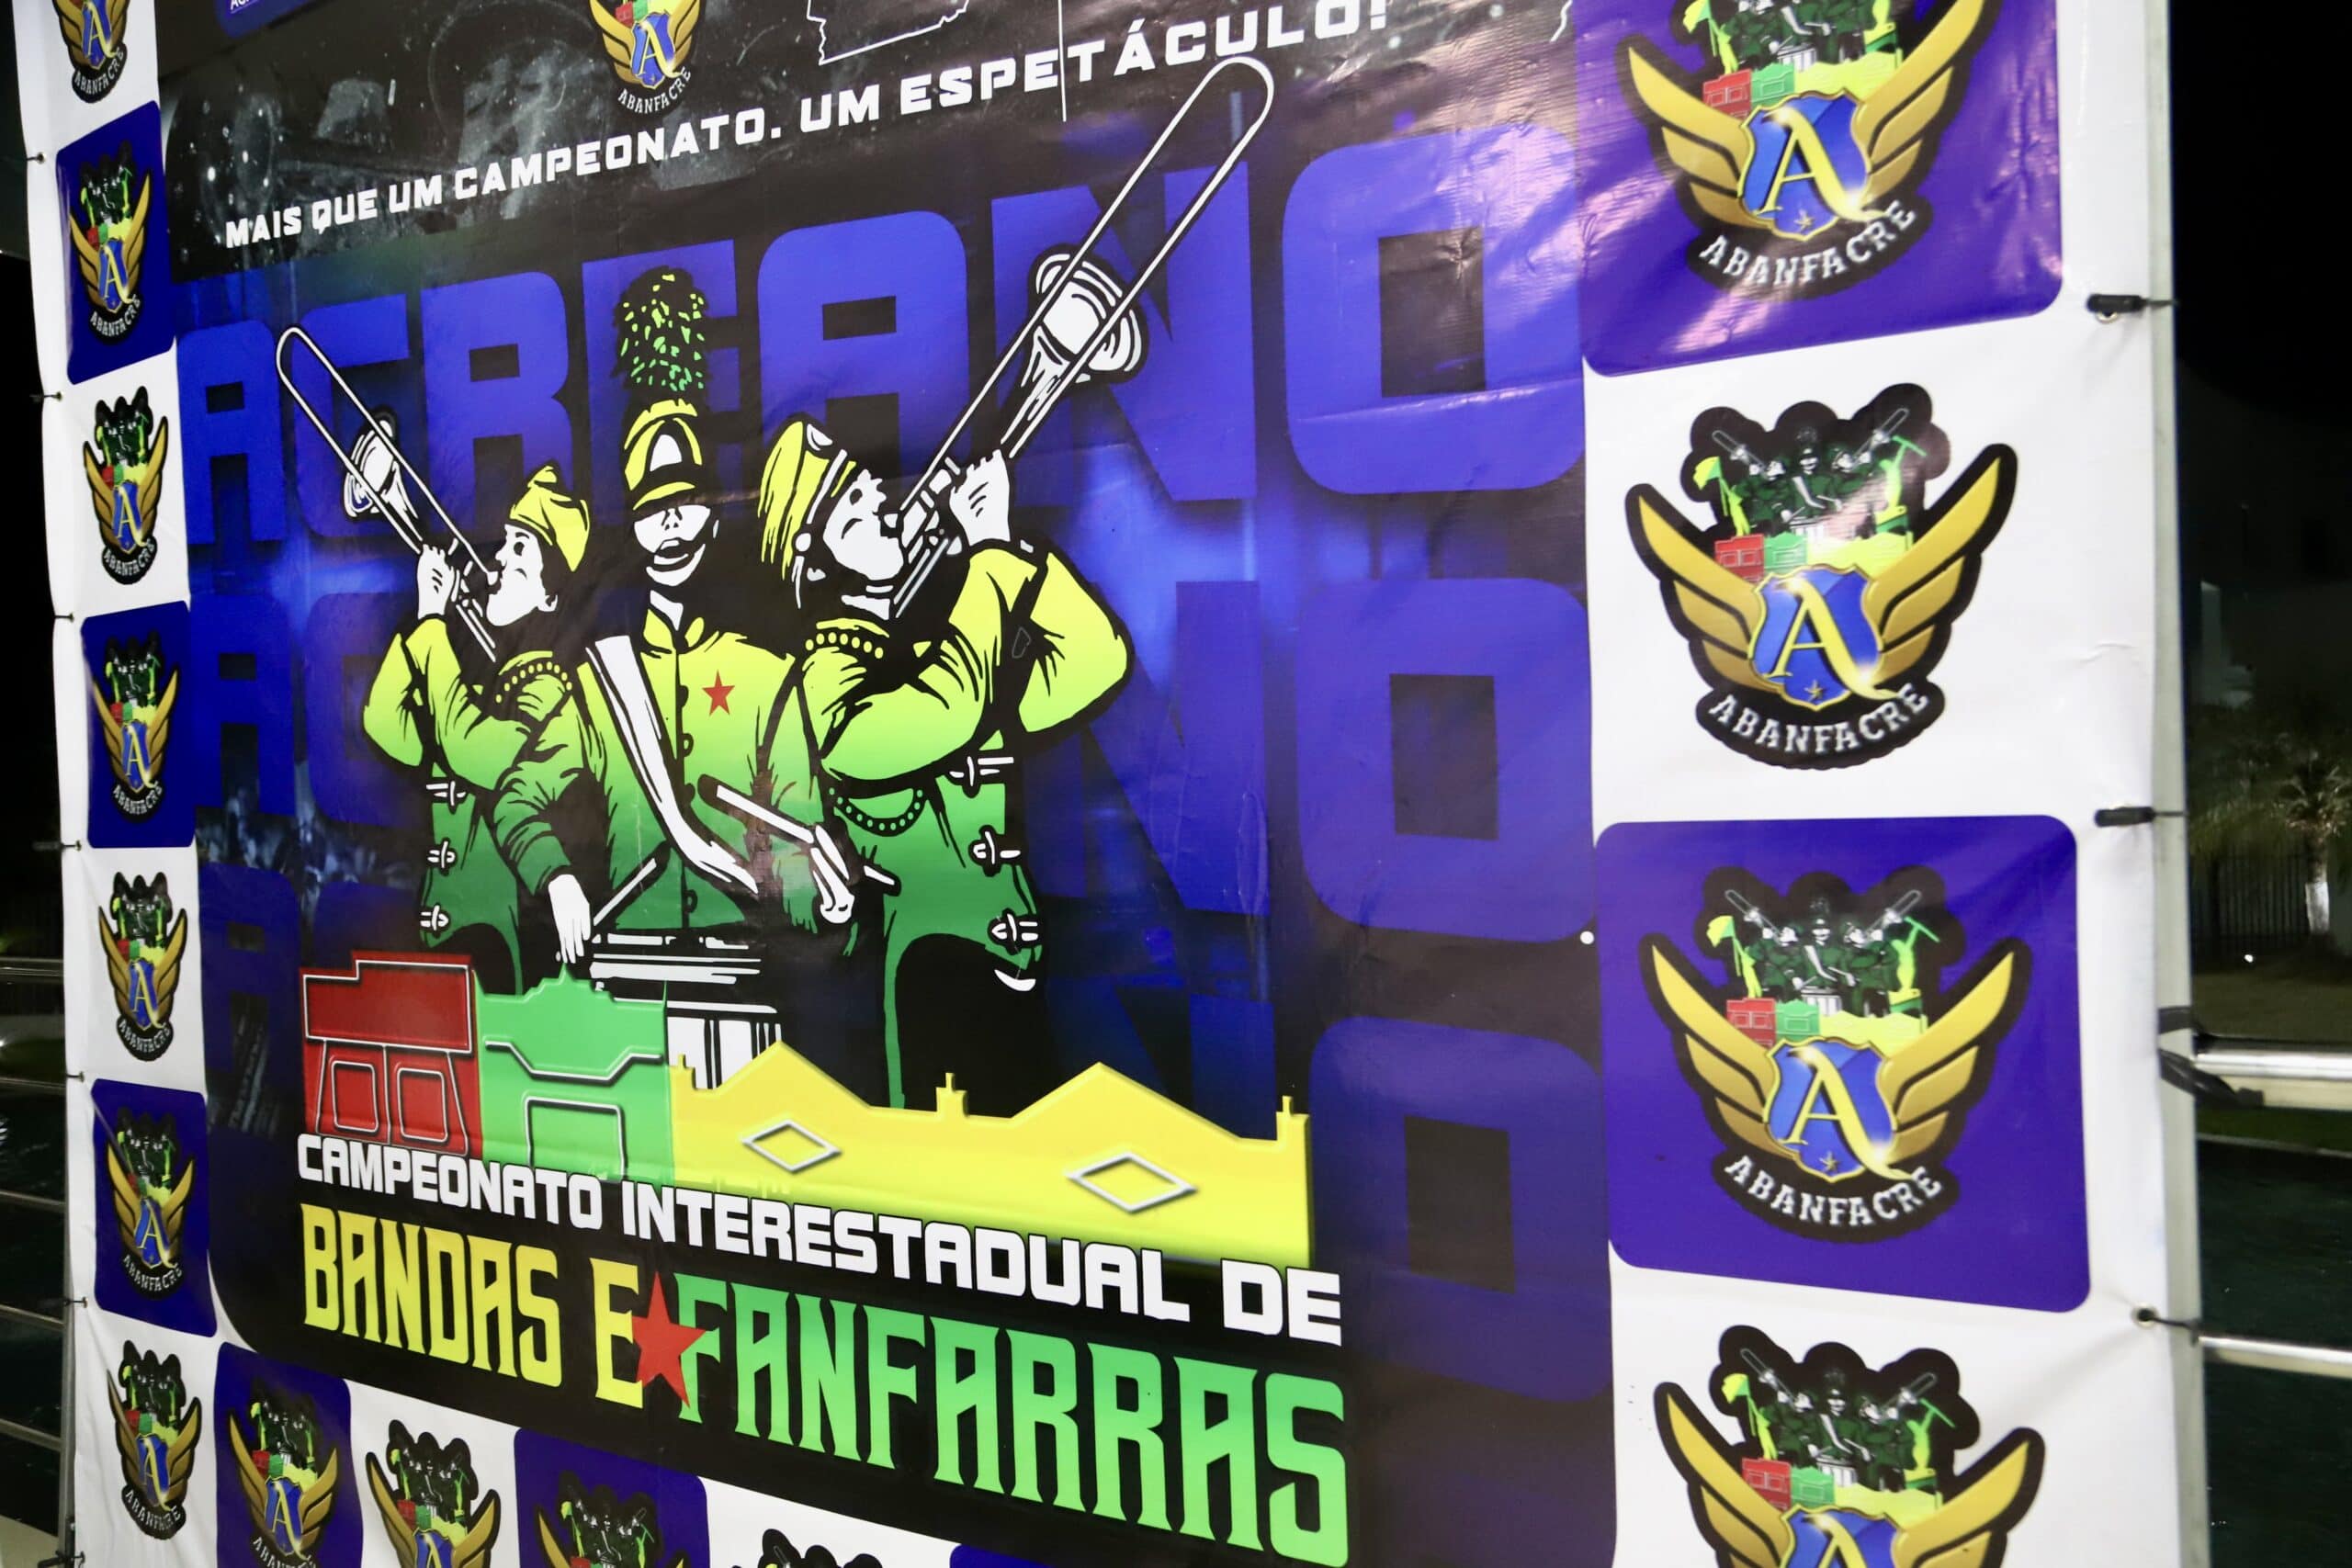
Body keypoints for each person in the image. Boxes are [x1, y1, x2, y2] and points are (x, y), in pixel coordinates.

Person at [753, 417, 1132, 1114]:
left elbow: (1093, 661)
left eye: (869, 487)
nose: (879, 499)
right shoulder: (827, 679)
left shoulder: (944, 649)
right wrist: (986, 555)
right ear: (816, 557)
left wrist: (1010, 544)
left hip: (1005, 972)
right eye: (852, 503)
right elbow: (948, 710)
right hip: (928, 977)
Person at [493, 270, 855, 970]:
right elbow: (516, 799)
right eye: (653, 510)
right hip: (624, 975)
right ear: (633, 527)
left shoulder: (769, 678)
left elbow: (796, 854)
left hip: (743, 973)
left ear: (713, 517)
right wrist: (556, 878)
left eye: (686, 504)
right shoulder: (600, 685)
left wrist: (826, 898)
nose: (671, 526)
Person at [361, 464, 587, 992]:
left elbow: (475, 753)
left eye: (520, 549)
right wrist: (424, 622)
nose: (499, 558)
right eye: (505, 541)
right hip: (447, 929)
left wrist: (435, 625)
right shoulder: (466, 675)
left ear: (548, 595)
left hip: (504, 936)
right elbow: (387, 726)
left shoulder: (546, 683)